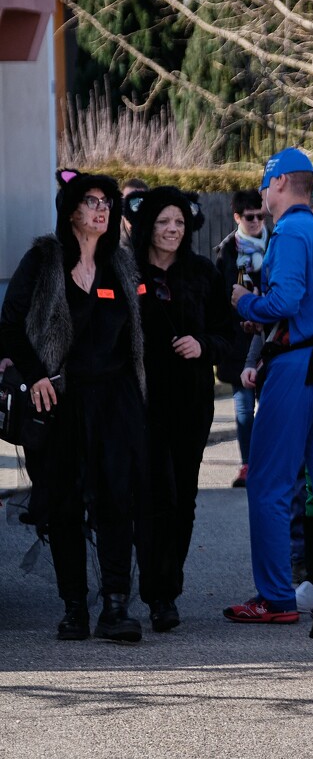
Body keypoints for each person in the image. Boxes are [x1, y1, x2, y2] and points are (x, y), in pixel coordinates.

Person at [0, 172, 147, 642]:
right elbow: (8, 326)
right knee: (62, 504)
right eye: (90, 201)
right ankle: (73, 608)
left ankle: (116, 607)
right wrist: (35, 374)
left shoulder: (121, 264)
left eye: (107, 202)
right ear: (70, 209)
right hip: (59, 400)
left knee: (115, 502)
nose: (101, 209)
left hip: (114, 400)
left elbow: (138, 337)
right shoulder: (45, 260)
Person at [225, 148, 313, 625]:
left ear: (278, 184)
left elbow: (286, 299)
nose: (261, 192)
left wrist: (246, 303)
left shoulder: (292, 231)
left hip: (299, 368)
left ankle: (276, 597)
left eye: (264, 184)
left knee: (269, 481)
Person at [127, 187, 234, 633]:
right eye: (162, 222)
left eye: (178, 222)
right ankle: (158, 594)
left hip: (191, 402)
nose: (171, 230)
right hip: (142, 400)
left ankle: (169, 586)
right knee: (152, 497)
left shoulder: (204, 273)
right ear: (147, 225)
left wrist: (204, 344)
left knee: (184, 498)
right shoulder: (126, 269)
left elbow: (229, 335)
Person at [215, 189, 270, 488]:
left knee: (271, 406)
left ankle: (268, 462)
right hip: (239, 341)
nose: (256, 222)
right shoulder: (227, 251)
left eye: (261, 216)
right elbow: (221, 295)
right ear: (237, 217)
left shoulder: (277, 244)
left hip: (271, 336)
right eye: (249, 217)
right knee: (243, 407)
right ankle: (248, 464)